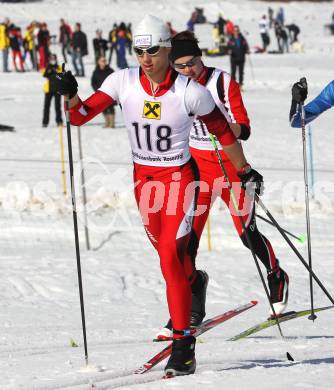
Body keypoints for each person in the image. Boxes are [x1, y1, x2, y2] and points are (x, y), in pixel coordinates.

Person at [52, 15, 262, 377]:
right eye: (139, 50)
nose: (145, 58)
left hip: (180, 180)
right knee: (174, 263)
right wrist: (70, 93)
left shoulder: (190, 91)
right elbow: (80, 117)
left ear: (166, 49)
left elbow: (225, 134)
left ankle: (184, 347)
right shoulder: (122, 81)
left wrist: (243, 171)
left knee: (169, 259)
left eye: (152, 50)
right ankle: (195, 284)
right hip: (143, 182)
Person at [155, 30, 289, 342]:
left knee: (247, 233)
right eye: (182, 66)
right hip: (197, 171)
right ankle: (192, 297)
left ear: (201, 56)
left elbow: (244, 129)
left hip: (230, 167)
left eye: (194, 62)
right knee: (185, 244)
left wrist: (214, 120)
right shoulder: (172, 87)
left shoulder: (222, 82)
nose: (190, 70)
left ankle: (276, 274)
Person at [91, 56, 116, 127]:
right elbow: (93, 83)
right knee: (102, 108)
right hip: (100, 93)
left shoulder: (110, 71)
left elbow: (115, 81)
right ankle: (107, 122)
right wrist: (97, 90)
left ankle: (112, 123)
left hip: (110, 93)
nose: (103, 62)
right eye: (102, 61)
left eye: (104, 61)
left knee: (110, 107)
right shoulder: (95, 72)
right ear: (98, 62)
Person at [42, 53, 63, 127]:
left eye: (54, 59)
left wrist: (56, 71)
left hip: (57, 89)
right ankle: (45, 122)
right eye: (51, 59)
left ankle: (59, 121)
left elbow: (62, 76)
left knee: (57, 106)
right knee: (46, 106)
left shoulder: (59, 67)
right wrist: (49, 69)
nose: (53, 60)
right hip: (49, 90)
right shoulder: (47, 67)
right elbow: (44, 74)